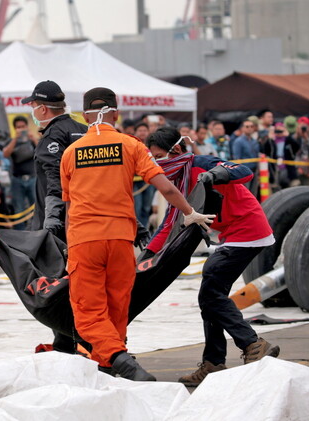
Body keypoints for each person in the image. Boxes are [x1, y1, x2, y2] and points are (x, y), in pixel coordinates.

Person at [60, 87, 214, 381]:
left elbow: (69, 206)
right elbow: (166, 187)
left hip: (84, 238)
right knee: (118, 304)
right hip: (120, 239)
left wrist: (69, 245)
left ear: (83, 116)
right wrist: (189, 212)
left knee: (87, 310)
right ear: (116, 114)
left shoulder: (70, 153)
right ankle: (108, 366)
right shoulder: (129, 145)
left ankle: (118, 359)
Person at [145, 126, 280, 387]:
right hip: (230, 235)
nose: (156, 162)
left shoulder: (200, 163)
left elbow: (244, 171)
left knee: (210, 292)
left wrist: (214, 174)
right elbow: (169, 223)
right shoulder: (174, 181)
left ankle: (253, 344)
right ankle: (214, 361)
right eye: (153, 157)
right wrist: (147, 257)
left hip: (248, 229)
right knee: (210, 297)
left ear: (175, 150)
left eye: (159, 156)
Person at [22, 80, 88, 354]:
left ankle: (67, 341)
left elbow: (54, 180)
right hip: (88, 217)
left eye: (33, 106)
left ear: (43, 109)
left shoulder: (53, 136)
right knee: (84, 282)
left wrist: (51, 221)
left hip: (60, 222)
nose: (32, 111)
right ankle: (85, 339)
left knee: (55, 283)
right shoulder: (83, 131)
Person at [2, 116, 37, 230]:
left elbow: (41, 151)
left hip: (32, 178)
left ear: (27, 127)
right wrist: (15, 139)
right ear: (15, 128)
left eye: (23, 126)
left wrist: (33, 139)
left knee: (36, 206)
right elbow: (5, 154)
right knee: (18, 208)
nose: (21, 129)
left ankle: (37, 230)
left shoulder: (32, 140)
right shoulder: (12, 141)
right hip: (17, 179)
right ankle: (20, 235)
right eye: (18, 127)